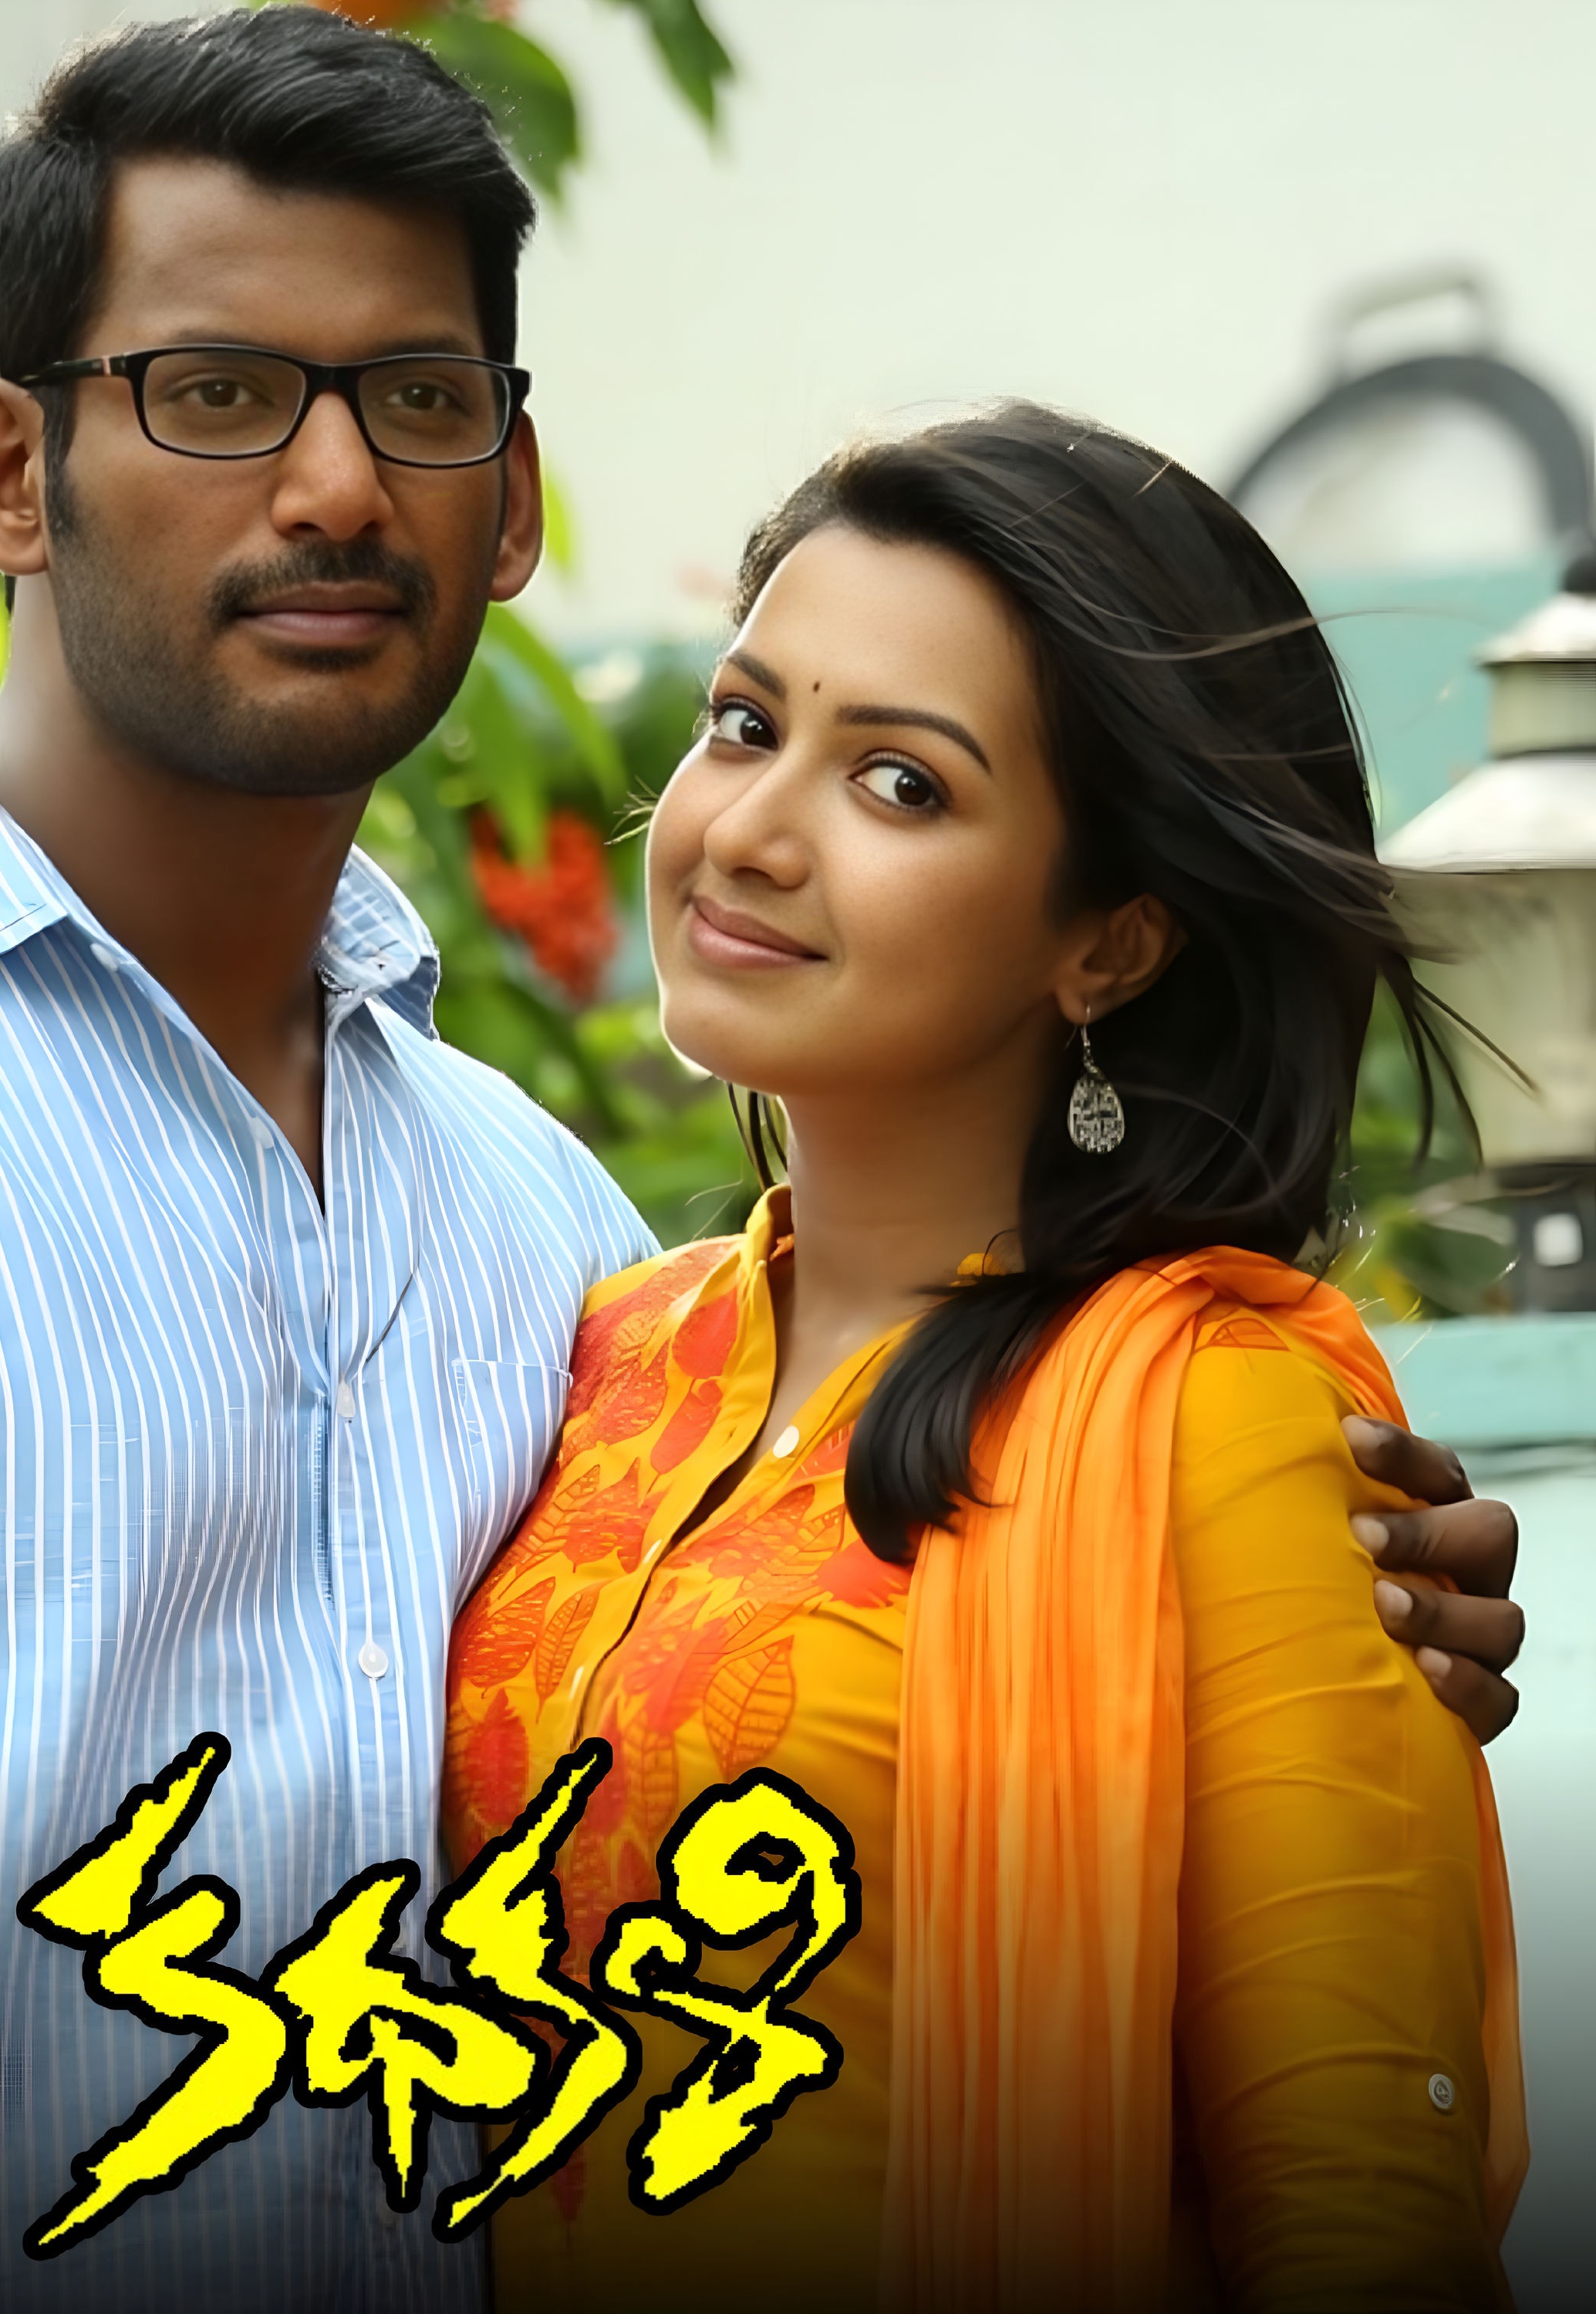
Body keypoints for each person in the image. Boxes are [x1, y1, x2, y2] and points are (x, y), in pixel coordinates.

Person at [0, 11, 1520, 2312]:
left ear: (515, 499)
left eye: (418, 400)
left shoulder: (541, 1239)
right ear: (9, 474)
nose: (339, 487)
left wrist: (1262, 1597)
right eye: (215, 392)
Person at [444, 404, 1527, 2312]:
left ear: (1109, 944)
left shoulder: (1216, 1419)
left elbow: (1360, 2205)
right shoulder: (594, 1357)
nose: (749, 832)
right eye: (744, 724)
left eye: (902, 785)